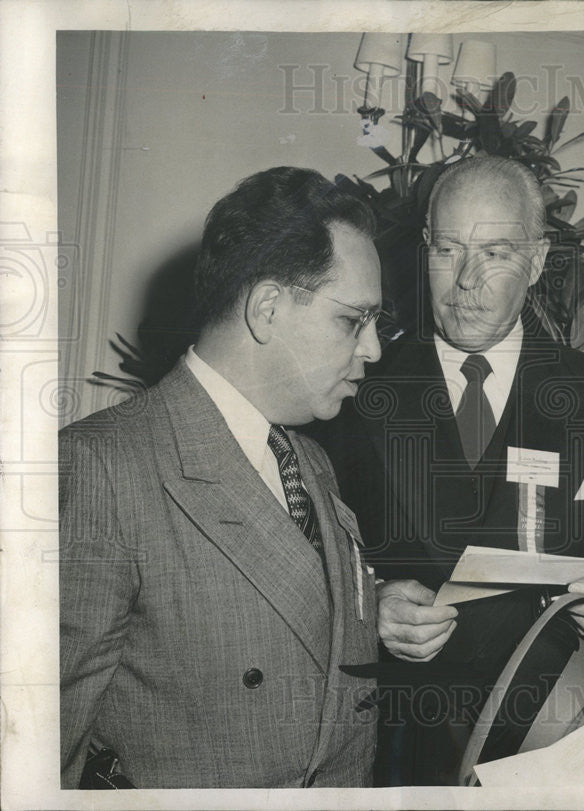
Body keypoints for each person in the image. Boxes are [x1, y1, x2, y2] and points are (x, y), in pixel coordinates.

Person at [319, 156, 584, 784]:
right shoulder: (350, 394)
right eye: (447, 249)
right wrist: (371, 609)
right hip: (399, 745)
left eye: (496, 253)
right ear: (423, 248)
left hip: (555, 744)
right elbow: (304, 563)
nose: (466, 281)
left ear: (536, 260)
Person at [59, 167, 384, 788]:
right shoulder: (100, 467)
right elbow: (40, 755)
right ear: (267, 309)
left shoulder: (310, 459)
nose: (373, 348)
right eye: (353, 320)